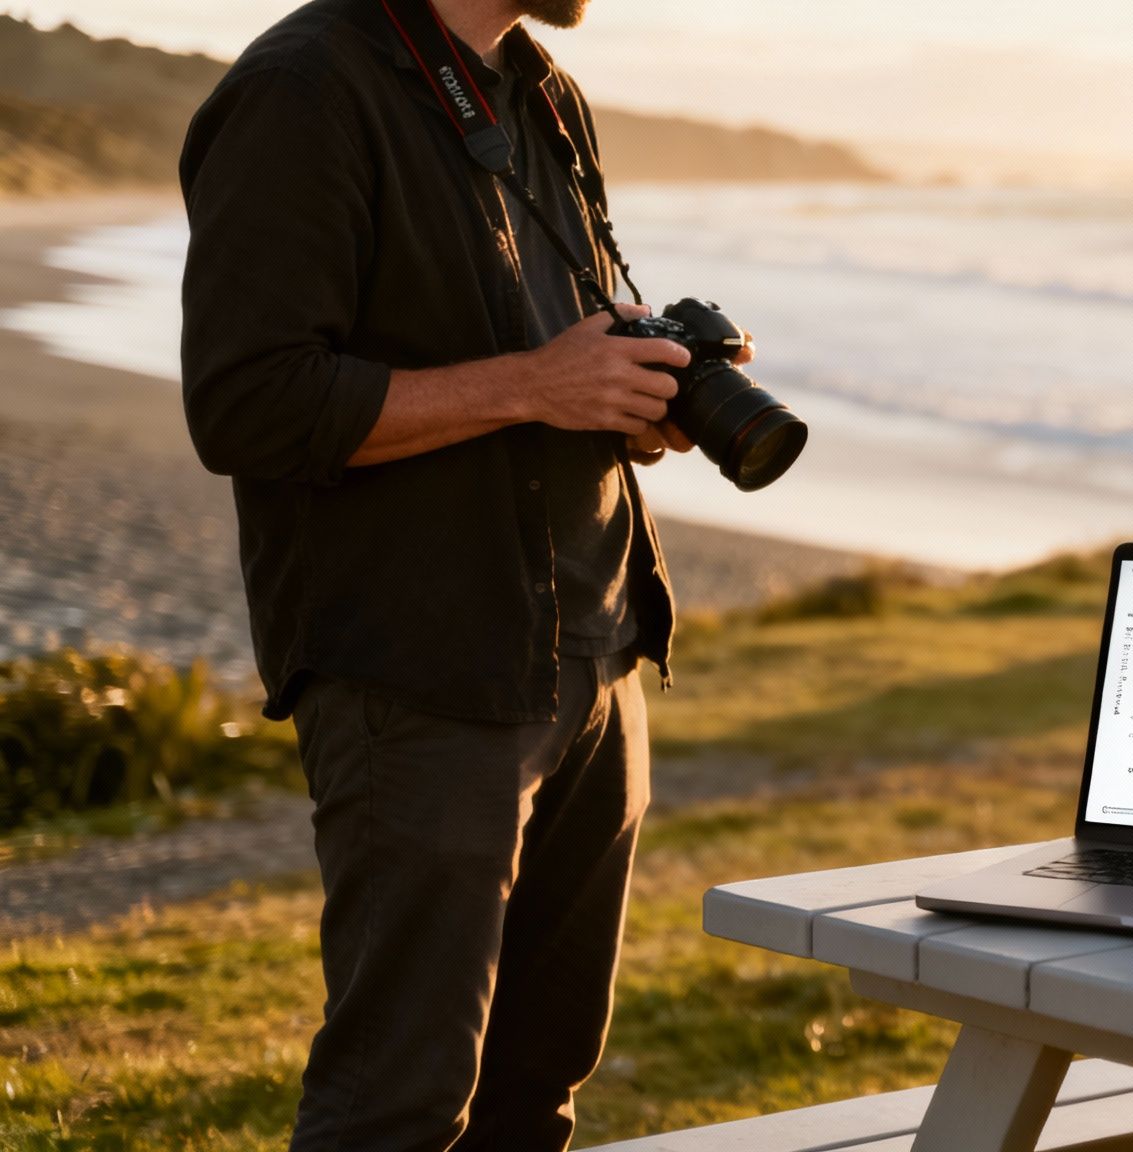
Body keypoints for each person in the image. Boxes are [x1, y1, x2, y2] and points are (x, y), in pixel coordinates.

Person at [179, 0, 750, 1146]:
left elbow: (544, 348)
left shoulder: (539, 86)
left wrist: (629, 400)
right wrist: (536, 386)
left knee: (531, 1097)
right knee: (396, 1107)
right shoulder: (304, 88)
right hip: (424, 670)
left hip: (591, 652)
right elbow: (247, 402)